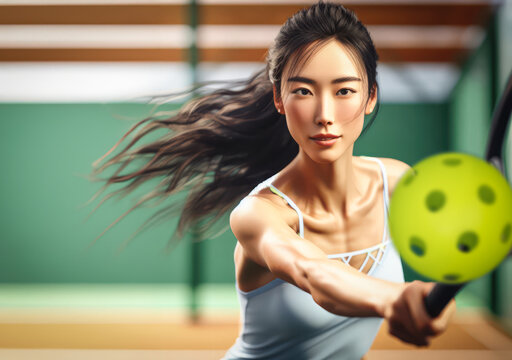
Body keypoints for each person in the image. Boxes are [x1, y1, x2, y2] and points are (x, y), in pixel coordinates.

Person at [91, 1, 456, 359]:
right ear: (279, 99)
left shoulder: (396, 182)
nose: (325, 115)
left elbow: (452, 265)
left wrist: (434, 304)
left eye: (344, 90)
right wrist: (393, 299)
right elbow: (313, 273)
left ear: (371, 96)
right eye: (303, 91)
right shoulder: (257, 214)